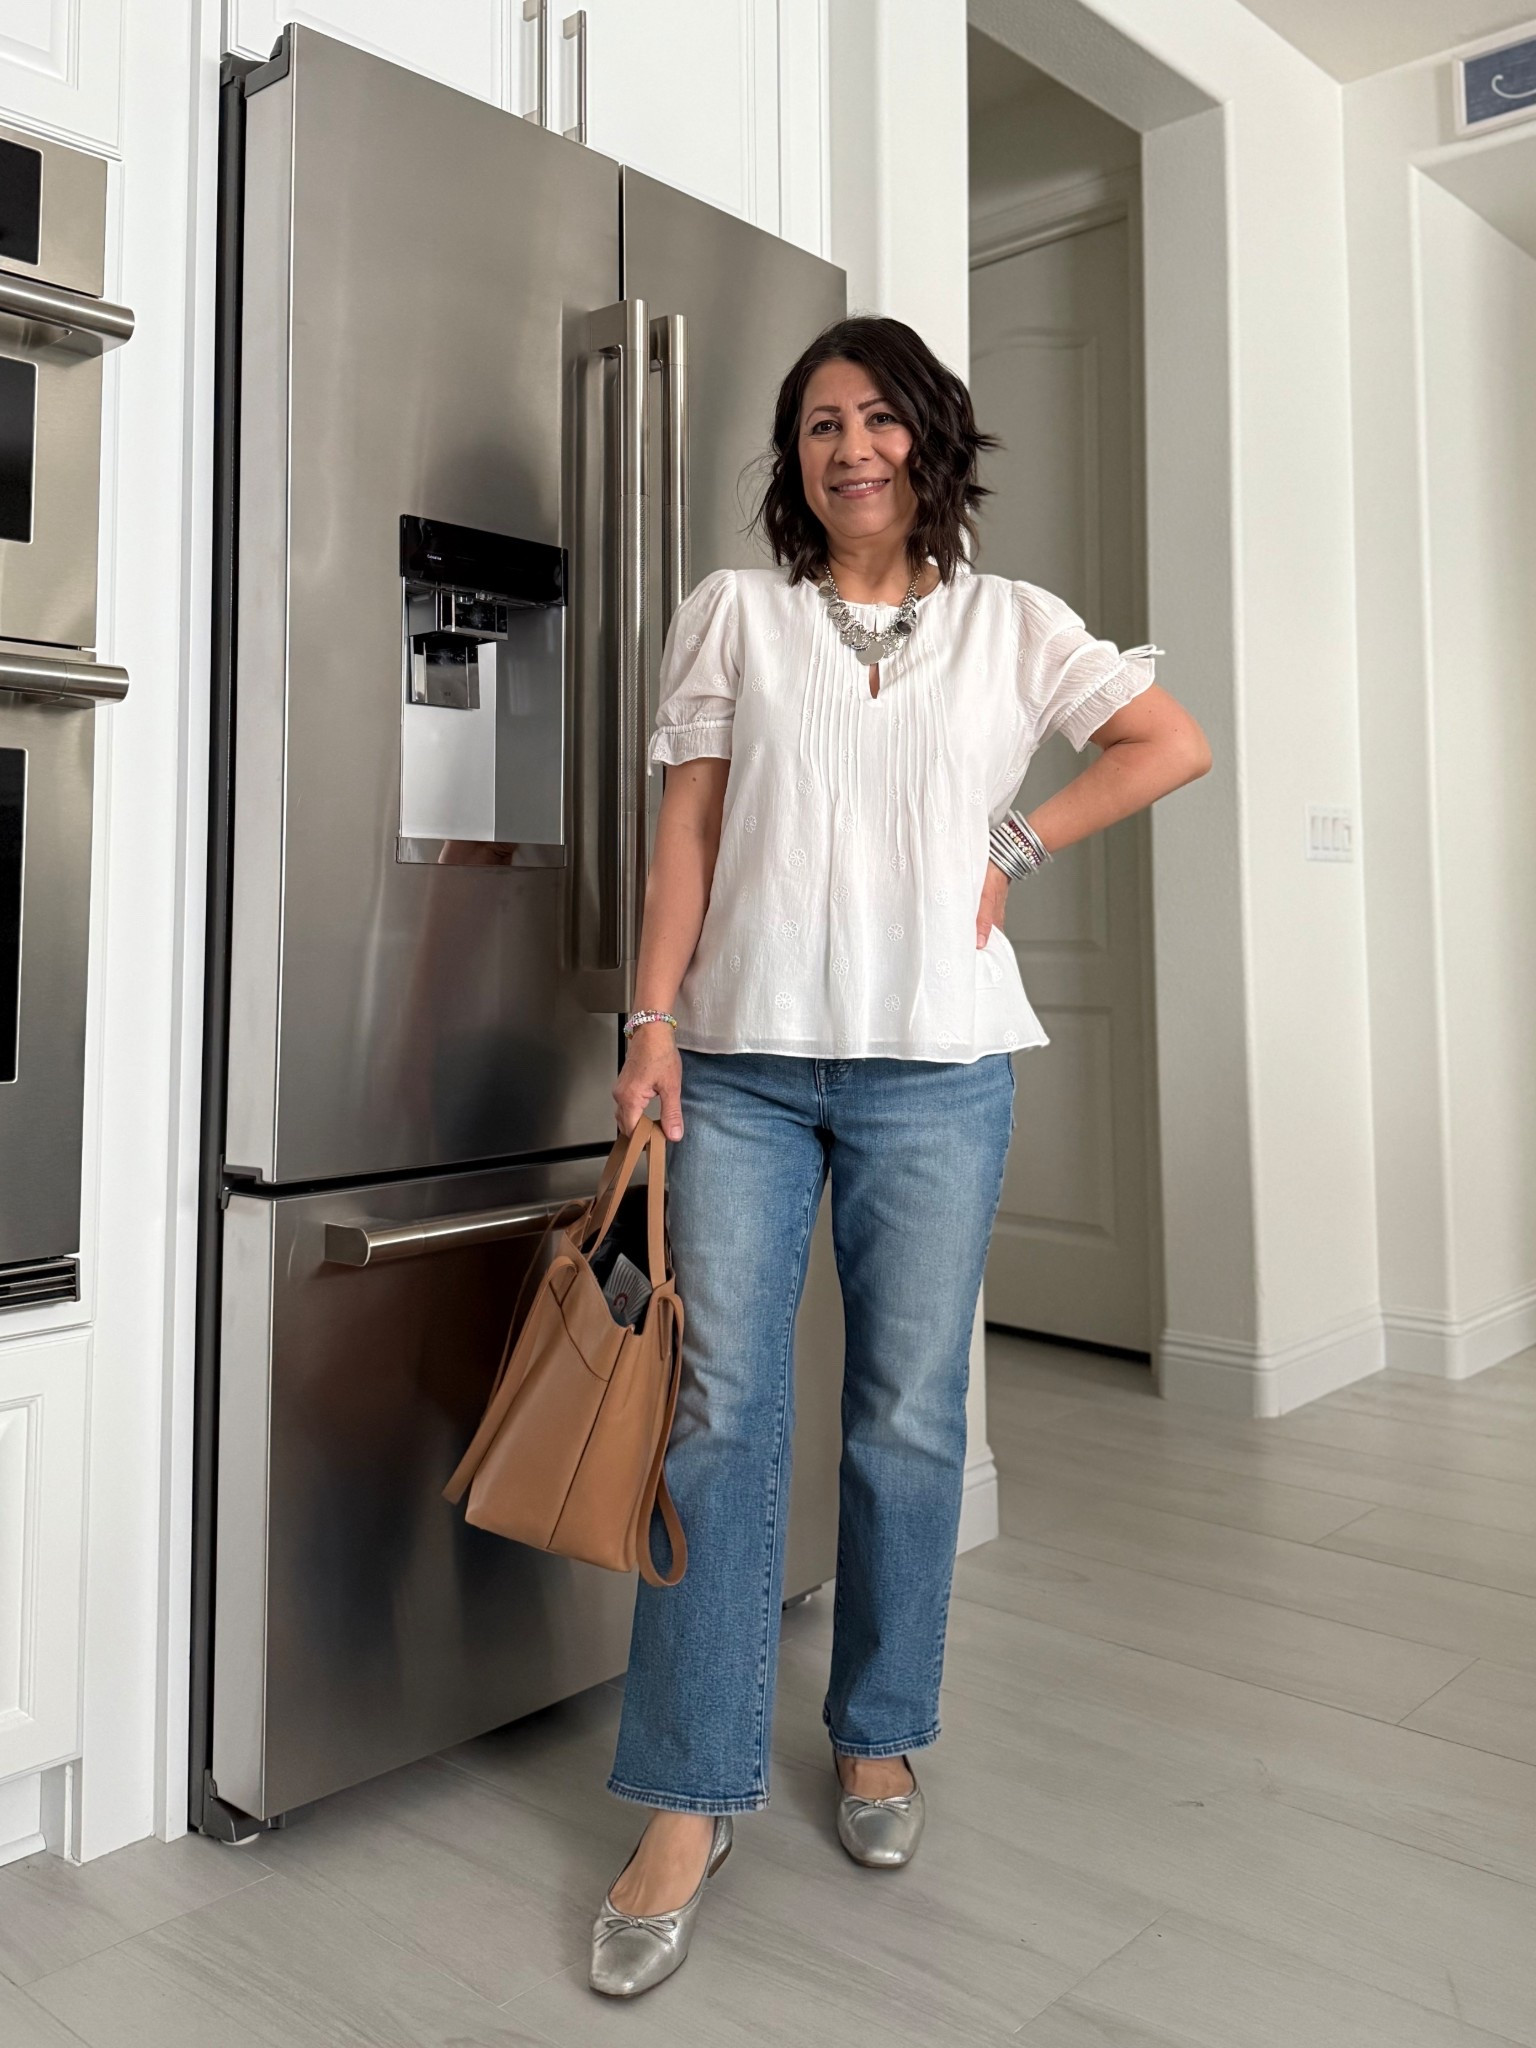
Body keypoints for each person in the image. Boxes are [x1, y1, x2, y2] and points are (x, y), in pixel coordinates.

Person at [588, 316, 1211, 1998]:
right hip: (743, 1064)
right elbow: (691, 836)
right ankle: (687, 1797)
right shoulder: (742, 617)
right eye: (816, 427)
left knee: (910, 1415)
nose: (848, 448)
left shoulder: (1018, 629)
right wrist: (649, 1030)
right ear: (794, 464)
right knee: (717, 1417)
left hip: (940, 1072)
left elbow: (1172, 743)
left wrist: (1021, 838)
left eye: (876, 419)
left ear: (931, 437)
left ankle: (878, 1737)